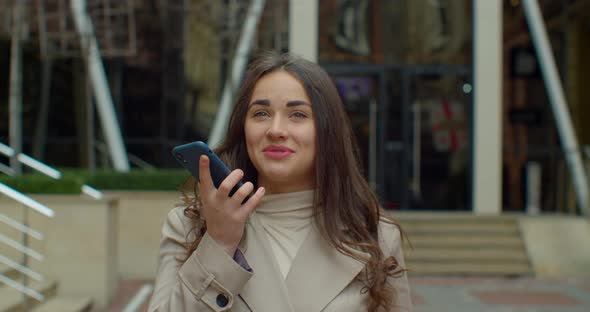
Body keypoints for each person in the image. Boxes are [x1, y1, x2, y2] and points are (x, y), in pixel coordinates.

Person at [148, 51, 412, 312]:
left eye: (297, 114)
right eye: (261, 113)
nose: (276, 130)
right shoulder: (190, 225)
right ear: (244, 127)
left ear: (327, 130)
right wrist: (218, 243)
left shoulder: (374, 234)